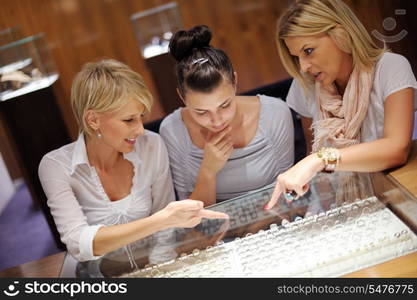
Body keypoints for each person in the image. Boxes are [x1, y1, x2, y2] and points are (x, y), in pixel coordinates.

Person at [38, 59, 228, 262]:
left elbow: (166, 236)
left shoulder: (152, 145)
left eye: (141, 117)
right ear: (93, 120)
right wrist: (160, 221)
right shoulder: (55, 166)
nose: (139, 129)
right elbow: (79, 244)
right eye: (129, 120)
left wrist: (160, 269)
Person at [265, 0, 417, 209]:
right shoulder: (305, 86)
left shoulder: (391, 68)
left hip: (392, 200)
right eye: (297, 57)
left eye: (308, 51)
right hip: (337, 205)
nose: (303, 67)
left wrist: (321, 159)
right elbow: (315, 158)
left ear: (341, 35)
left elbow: (396, 149)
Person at [159, 25, 294, 207]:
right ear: (182, 97)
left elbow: (291, 194)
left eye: (225, 105)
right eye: (201, 112)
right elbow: (192, 218)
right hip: (218, 233)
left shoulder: (275, 114)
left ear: (235, 82)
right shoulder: (173, 130)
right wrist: (208, 170)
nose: (217, 120)